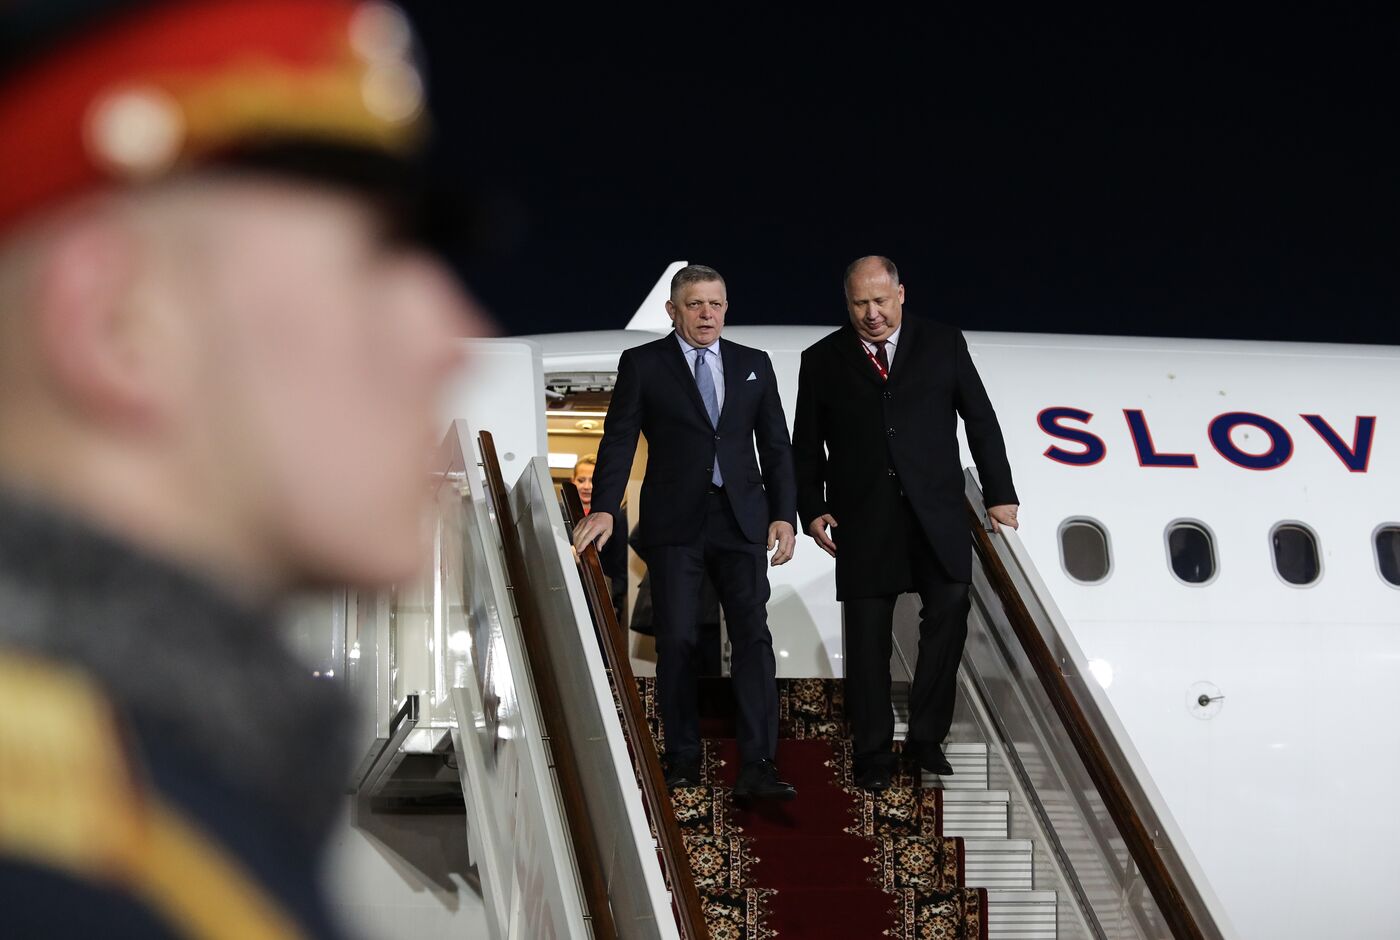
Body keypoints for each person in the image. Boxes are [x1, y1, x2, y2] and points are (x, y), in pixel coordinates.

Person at [0, 2, 478, 937]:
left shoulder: (166, 824)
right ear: (116, 326)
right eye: (380, 253)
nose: (455, 334)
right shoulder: (72, 885)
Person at [792, 256, 1019, 792]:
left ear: (900, 294)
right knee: (867, 638)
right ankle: (871, 751)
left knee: (950, 609)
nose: (871, 314)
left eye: (879, 301)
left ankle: (925, 738)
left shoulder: (943, 343)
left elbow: (980, 419)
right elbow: (806, 443)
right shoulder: (821, 358)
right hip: (863, 516)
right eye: (859, 304)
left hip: (935, 511)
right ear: (847, 304)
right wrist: (812, 506)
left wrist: (1000, 495)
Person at [573, 264, 798, 800]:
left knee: (753, 636)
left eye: (716, 304)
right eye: (695, 304)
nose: (707, 314)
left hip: (741, 519)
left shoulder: (753, 363)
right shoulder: (643, 363)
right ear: (672, 310)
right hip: (676, 521)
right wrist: (604, 508)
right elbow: (619, 438)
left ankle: (758, 764)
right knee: (676, 638)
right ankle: (682, 757)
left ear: (726, 308)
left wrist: (784, 514)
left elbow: (776, 446)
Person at [572, 453, 628, 624]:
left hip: (602, 598)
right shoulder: (558, 513)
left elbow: (620, 564)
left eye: (592, 480)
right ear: (572, 481)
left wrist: (615, 603)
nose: (586, 486)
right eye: (581, 480)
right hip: (568, 594)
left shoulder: (614, 518)